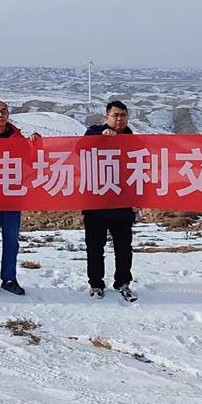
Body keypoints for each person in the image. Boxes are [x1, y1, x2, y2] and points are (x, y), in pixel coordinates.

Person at [0, 101, 38, 296]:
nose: (0, 115)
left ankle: (9, 278)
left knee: (11, 241)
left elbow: (31, 164)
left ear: (8, 114)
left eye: (3, 111)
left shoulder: (19, 140)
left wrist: (36, 145)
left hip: (12, 197)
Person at [82, 101, 137, 302]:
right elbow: (80, 149)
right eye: (115, 115)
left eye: (123, 115)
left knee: (124, 249)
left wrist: (138, 199)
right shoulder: (94, 133)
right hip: (95, 203)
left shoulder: (134, 141)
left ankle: (123, 282)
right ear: (107, 117)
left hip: (123, 205)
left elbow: (141, 170)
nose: (119, 119)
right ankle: (96, 284)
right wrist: (101, 136)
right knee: (94, 248)